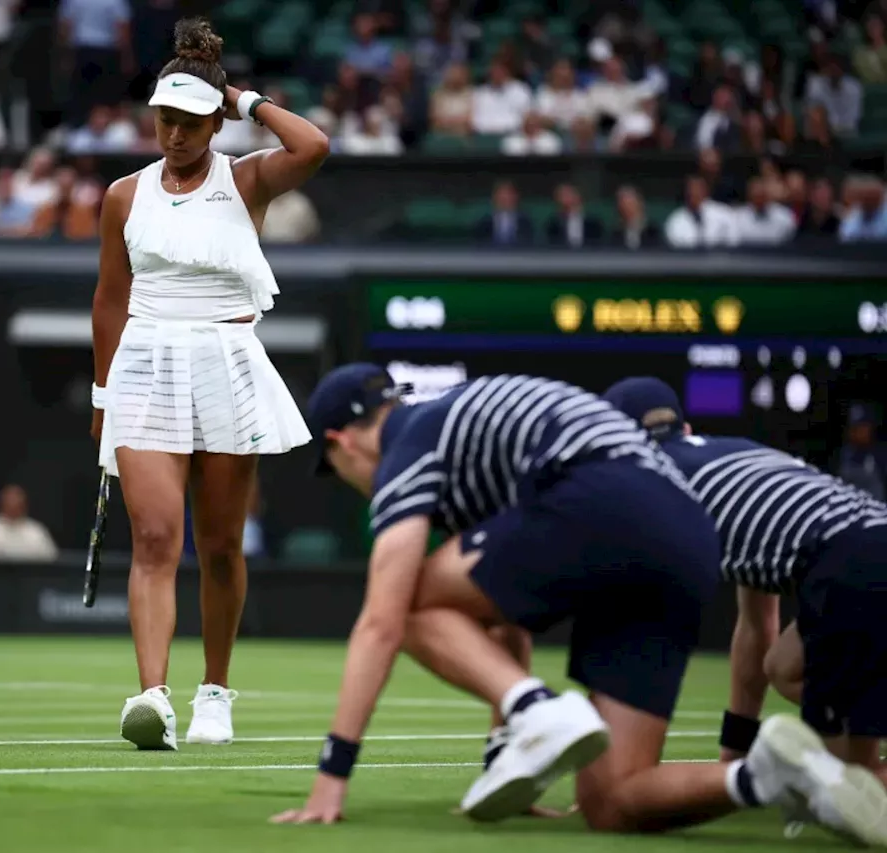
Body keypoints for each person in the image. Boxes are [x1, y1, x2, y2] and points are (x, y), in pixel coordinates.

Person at [271, 363, 884, 846]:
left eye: (335, 468)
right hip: (688, 539)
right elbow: (498, 614)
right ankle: (769, 776)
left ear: (340, 441)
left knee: (402, 603)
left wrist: (333, 777)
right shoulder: (473, 444)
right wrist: (504, 756)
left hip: (605, 495)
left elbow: (381, 623)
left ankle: (540, 711)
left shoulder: (408, 448)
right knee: (613, 800)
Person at [89, 17, 329, 751]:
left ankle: (215, 694)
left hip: (225, 360)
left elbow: (315, 145)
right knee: (156, 537)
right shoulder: (123, 197)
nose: (176, 135)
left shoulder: (248, 176)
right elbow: (108, 300)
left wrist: (245, 101)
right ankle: (152, 698)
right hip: (145, 367)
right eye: (166, 120)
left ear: (212, 120)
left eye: (192, 122)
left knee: (220, 544)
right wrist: (103, 398)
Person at [604, 377, 887, 810]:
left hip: (853, 565)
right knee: (786, 666)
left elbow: (648, 640)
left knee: (854, 786)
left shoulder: (651, 486)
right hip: (869, 541)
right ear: (685, 428)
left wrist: (628, 782)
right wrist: (731, 760)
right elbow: (758, 628)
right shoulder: (740, 451)